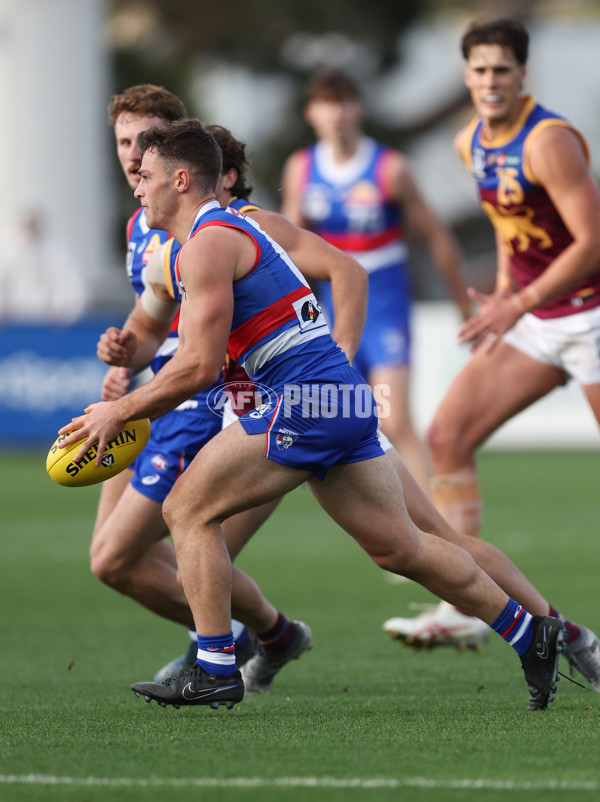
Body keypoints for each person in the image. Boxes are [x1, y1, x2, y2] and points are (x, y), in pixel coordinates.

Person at [59, 119, 573, 713]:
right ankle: (532, 634)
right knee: (402, 549)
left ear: (180, 180)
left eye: (145, 175)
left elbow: (197, 367)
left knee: (185, 509)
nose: (136, 187)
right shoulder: (200, 243)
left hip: (307, 399)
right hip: (339, 398)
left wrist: (117, 411)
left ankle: (215, 666)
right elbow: (172, 338)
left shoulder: (208, 243)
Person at [93, 84, 317, 684]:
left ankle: (219, 647)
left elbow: (339, 270)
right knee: (112, 561)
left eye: (145, 141)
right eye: (122, 141)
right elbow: (150, 321)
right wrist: (124, 350)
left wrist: (330, 355)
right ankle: (266, 635)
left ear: (175, 145)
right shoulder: (143, 223)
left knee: (137, 548)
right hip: (154, 391)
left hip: (200, 396)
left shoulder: (222, 223)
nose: (133, 153)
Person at [389, 17, 600, 649]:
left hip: (589, 315)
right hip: (536, 319)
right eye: (479, 70)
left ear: (523, 74)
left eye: (501, 69)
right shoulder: (469, 143)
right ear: (465, 75)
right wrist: (510, 294)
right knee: (446, 437)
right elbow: (514, 230)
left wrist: (520, 301)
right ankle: (461, 605)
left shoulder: (549, 141)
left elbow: (592, 242)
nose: (490, 81)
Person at [280, 70, 470, 492]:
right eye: (326, 104)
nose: (336, 114)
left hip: (385, 304)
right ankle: (390, 525)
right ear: (312, 112)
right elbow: (289, 247)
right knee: (342, 419)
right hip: (331, 309)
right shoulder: (302, 168)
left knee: (395, 418)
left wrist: (464, 305)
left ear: (359, 108)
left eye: (344, 102)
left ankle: (437, 525)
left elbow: (436, 235)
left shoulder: (390, 168)